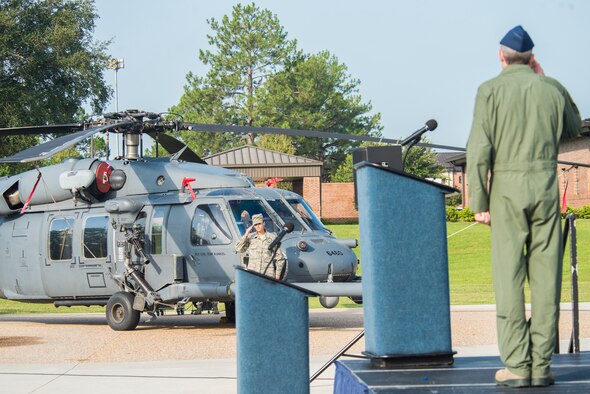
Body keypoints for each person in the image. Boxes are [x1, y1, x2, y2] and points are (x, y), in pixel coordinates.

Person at [467, 25, 581, 388]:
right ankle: (542, 364)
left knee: (509, 277)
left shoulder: (489, 91)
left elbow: (478, 150)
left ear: (501, 57)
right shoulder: (551, 89)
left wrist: (479, 203)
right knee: (547, 280)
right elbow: (574, 127)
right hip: (546, 187)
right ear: (532, 59)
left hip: (506, 192)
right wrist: (546, 81)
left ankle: (517, 365)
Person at [235, 213, 286, 280]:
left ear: (263, 223)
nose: (258, 226)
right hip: (253, 274)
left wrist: (277, 275)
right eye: (255, 225)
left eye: (259, 224)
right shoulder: (251, 237)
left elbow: (280, 258)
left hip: (268, 274)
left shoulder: (272, 237)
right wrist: (246, 235)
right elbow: (239, 249)